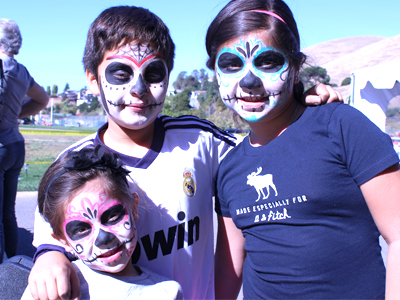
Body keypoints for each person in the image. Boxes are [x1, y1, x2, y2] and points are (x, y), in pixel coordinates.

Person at [28, 6, 341, 300]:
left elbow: (261, 153)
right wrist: (48, 256)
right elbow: (49, 223)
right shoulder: (74, 163)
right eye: (121, 74)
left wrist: (299, 106)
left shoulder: (199, 140)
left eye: (153, 74)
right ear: (93, 80)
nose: (138, 88)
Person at [206, 0, 400, 299]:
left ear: (295, 68)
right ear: (215, 74)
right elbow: (229, 271)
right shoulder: (229, 168)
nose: (248, 80)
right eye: (231, 65)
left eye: (267, 62)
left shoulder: (341, 126)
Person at [21, 145, 183, 299]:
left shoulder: (166, 293)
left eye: (112, 217)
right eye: (81, 230)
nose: (104, 239)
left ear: (133, 208)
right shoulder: (49, 290)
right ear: (63, 240)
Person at [0, 19, 49, 264]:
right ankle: (15, 265)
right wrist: (14, 114)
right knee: (7, 213)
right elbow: (42, 100)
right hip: (15, 146)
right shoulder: (21, 71)